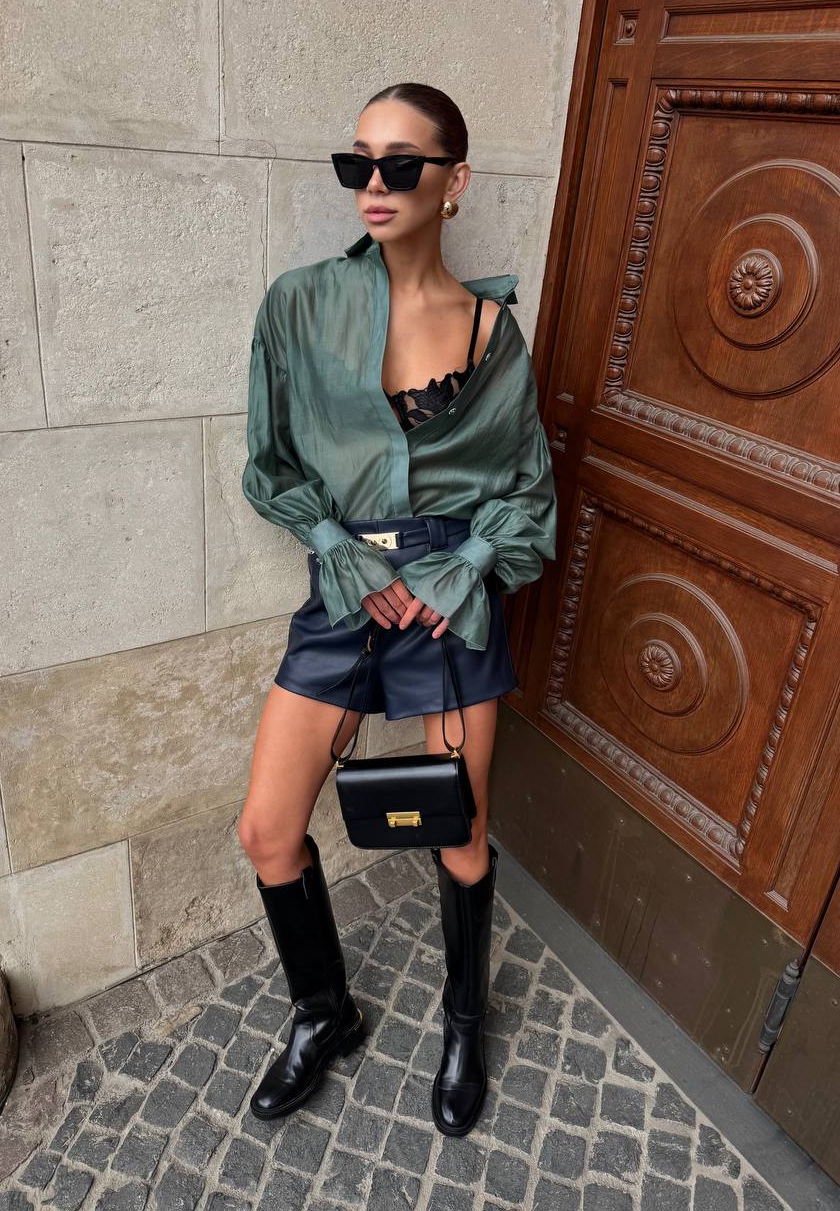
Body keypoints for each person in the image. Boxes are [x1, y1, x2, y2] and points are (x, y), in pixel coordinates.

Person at [238, 82, 557, 1136]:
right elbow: (271, 462)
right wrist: (332, 542)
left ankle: (467, 1023)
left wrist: (462, 566)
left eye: (401, 164)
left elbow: (524, 489)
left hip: (448, 596)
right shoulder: (298, 303)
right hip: (343, 585)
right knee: (269, 829)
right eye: (357, 162)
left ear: (453, 182)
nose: (373, 184)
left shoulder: (489, 331)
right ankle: (324, 1011)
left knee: (458, 836)